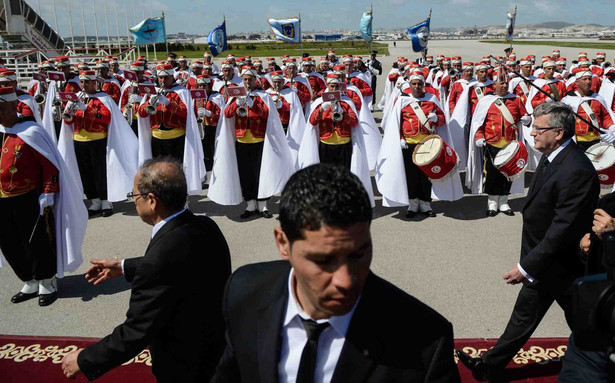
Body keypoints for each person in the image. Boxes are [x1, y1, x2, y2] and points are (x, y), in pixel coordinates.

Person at [210, 163, 460, 383]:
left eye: (357, 255)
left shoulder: (424, 341)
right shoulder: (244, 293)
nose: (345, 281)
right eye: (323, 260)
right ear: (283, 244)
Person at [456, 102, 600, 381]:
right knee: (526, 315)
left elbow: (563, 228)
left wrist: (525, 266)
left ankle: (600, 362)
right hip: (545, 261)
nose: (532, 132)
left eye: (538, 128)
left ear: (558, 133)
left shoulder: (576, 169)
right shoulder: (553, 157)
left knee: (585, 322)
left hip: (563, 264)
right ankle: (489, 365)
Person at [60, 157, 231, 382]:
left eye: (134, 196)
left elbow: (136, 331)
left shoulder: (160, 258)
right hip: (218, 348)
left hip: (184, 365)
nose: (133, 201)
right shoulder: (206, 226)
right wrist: (123, 266)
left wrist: (84, 360)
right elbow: (178, 265)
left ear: (152, 200)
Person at [0, 86, 87, 307]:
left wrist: (48, 192)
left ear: (13, 106)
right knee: (9, 242)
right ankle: (28, 278)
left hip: (28, 198)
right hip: (2, 199)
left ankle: (46, 280)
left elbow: (49, 164)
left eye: (1, 109)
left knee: (36, 241)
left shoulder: (31, 131)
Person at [209, 65, 293, 219]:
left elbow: (267, 113)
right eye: (245, 79)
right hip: (241, 140)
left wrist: (252, 105)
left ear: (255, 80)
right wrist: (236, 102)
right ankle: (250, 205)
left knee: (260, 174)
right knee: (246, 174)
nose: (247, 82)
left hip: (259, 140)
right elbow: (227, 114)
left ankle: (263, 205)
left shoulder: (263, 95)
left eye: (250, 80)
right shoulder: (236, 94)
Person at [60, 70, 138, 217]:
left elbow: (106, 117)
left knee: (100, 172)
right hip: (79, 139)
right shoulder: (76, 98)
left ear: (94, 83)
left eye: (86, 82)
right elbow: (68, 121)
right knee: (86, 172)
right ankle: (94, 200)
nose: (83, 85)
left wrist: (87, 110)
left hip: (97, 140)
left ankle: (105, 201)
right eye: (82, 82)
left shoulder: (103, 98)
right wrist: (69, 114)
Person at [467, 71, 531, 216]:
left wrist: (528, 120)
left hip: (510, 145)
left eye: (506, 83)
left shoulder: (516, 100)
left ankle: (503, 201)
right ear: (494, 85)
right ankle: (492, 201)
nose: (504, 86)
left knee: (508, 173)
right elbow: (478, 123)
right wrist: (479, 137)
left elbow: (525, 116)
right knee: (492, 173)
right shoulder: (485, 101)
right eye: (501, 83)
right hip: (492, 144)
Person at [562, 67, 615, 151]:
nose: (588, 82)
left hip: (596, 140)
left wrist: (611, 127)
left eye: (590, 79)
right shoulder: (568, 100)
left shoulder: (597, 98)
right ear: (577, 82)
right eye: (584, 79)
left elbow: (605, 116)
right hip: (577, 142)